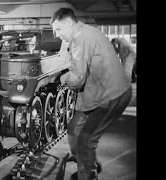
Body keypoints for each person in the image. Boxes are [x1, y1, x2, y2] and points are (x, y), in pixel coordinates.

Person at [50, 8, 132, 180]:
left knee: (86, 139)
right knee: (73, 128)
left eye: (58, 29)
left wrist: (61, 78)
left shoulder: (81, 38)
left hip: (111, 95)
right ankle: (85, 160)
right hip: (98, 92)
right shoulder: (84, 32)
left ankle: (87, 175)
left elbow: (77, 79)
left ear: (69, 24)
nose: (55, 35)